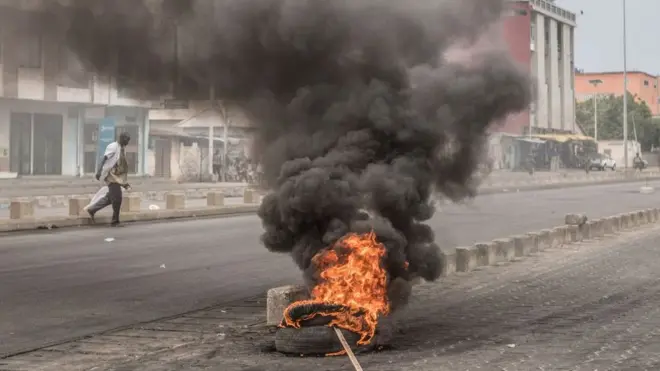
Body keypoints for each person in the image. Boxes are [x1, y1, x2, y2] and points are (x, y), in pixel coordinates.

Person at [84, 132, 131, 227]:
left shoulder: (122, 148)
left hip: (117, 176)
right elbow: (104, 159)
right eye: (126, 139)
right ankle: (115, 221)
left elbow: (120, 165)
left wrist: (124, 182)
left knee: (110, 198)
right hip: (110, 175)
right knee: (117, 198)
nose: (127, 142)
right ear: (121, 138)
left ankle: (92, 209)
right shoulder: (113, 146)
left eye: (128, 140)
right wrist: (99, 171)